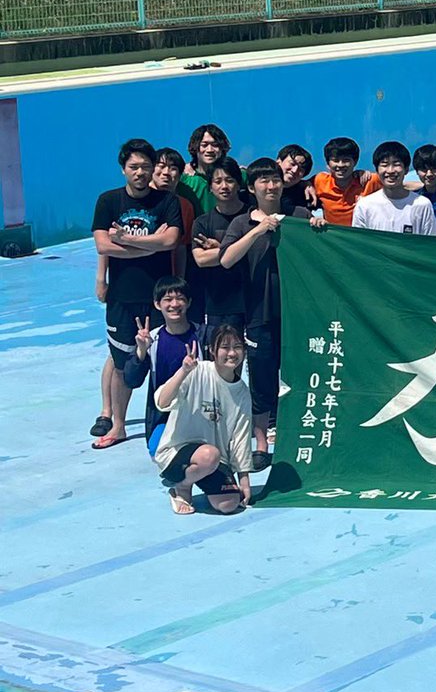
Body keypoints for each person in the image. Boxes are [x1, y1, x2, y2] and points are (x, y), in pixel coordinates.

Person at [220, 158, 324, 471]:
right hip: (259, 314)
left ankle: (306, 437)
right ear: (251, 188)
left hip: (299, 314)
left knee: (303, 375)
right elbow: (226, 260)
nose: (271, 185)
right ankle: (262, 444)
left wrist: (319, 228)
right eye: (263, 181)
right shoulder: (241, 223)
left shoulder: (300, 215)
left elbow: (323, 256)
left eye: (275, 179)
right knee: (263, 381)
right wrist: (257, 231)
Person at [90, 138, 183, 448]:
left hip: (158, 296)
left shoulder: (166, 202)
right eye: (134, 167)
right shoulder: (108, 201)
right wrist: (149, 244)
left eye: (146, 166)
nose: (140, 172)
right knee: (121, 362)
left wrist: (126, 239)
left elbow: (170, 240)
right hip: (122, 296)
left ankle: (166, 423)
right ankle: (118, 425)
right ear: (123, 170)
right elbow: (103, 245)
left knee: (164, 359)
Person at [153, 325, 254, 516]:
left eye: (238, 347)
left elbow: (241, 439)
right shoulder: (197, 371)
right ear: (212, 351)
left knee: (228, 504)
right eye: (225, 347)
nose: (232, 353)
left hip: (213, 461)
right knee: (209, 455)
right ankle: (181, 487)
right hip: (176, 454)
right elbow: (162, 401)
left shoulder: (242, 392)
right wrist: (183, 371)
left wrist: (244, 481)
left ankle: (199, 479)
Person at [122, 276, 214, 456]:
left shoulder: (204, 336)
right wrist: (141, 352)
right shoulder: (152, 340)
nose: (174, 304)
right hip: (165, 415)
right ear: (157, 304)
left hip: (201, 414)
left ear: (188, 303)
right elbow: (131, 380)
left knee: (207, 455)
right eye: (168, 299)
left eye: (180, 298)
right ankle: (182, 482)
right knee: (159, 451)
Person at [191, 156, 249, 332]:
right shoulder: (202, 222)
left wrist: (220, 249)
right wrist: (239, 249)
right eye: (218, 181)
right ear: (210, 187)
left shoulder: (253, 216)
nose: (224, 186)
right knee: (221, 356)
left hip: (253, 301)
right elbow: (201, 259)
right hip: (218, 303)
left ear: (239, 185)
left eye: (230, 180)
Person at [352, 141, 436, 235]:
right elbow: (359, 245)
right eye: (384, 165)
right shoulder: (365, 206)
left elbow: (430, 245)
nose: (390, 170)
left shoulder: (422, 204)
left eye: (396, 164)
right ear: (377, 170)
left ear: (406, 169)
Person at [311, 137, 381, 226]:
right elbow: (295, 185)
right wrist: (307, 185)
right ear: (328, 163)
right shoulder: (320, 180)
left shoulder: (369, 180)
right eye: (335, 160)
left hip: (364, 237)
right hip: (334, 238)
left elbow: (401, 188)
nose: (340, 165)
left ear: (355, 162)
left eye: (346, 160)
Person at [151, 147, 196, 281]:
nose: (166, 172)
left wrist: (179, 278)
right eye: (161, 166)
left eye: (172, 168)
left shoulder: (185, 206)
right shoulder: (135, 200)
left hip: (167, 278)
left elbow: (181, 246)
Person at [179, 124, 233, 214]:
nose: (210, 150)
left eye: (215, 145)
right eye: (204, 145)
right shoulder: (184, 178)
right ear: (195, 147)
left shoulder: (236, 175)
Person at [277, 144, 315, 213]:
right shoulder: (257, 188)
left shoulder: (306, 195)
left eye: (301, 169)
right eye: (292, 164)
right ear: (279, 162)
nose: (294, 170)